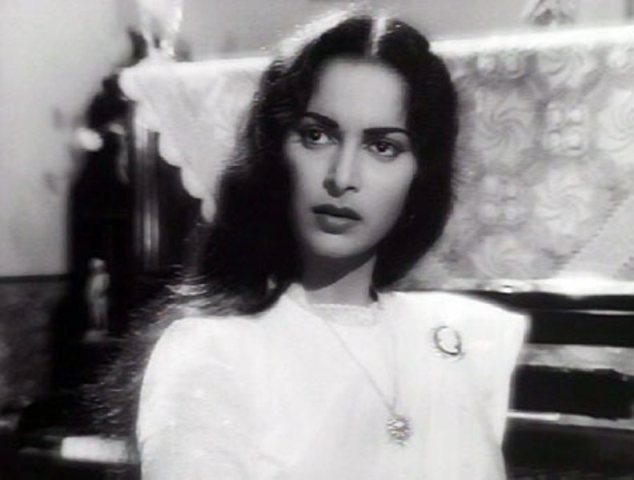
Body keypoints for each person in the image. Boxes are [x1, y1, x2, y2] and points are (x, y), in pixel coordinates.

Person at [101, 10, 527, 479]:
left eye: (382, 147)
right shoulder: (213, 349)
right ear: (274, 150)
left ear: (420, 174)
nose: (342, 177)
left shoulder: (451, 338)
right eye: (317, 136)